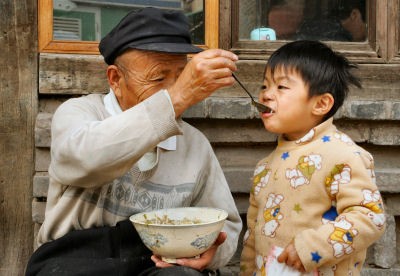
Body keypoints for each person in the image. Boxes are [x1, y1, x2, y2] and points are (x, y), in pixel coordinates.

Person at [26, 7, 242, 276]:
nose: (175, 88)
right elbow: (83, 160)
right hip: (74, 260)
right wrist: (176, 98)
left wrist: (210, 251)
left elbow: (227, 224)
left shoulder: (195, 145)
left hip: (155, 263)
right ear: (116, 79)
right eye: (159, 77)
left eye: (181, 76)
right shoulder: (79, 114)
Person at [240, 40, 386, 275]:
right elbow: (252, 238)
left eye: (281, 87)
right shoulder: (264, 167)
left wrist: (312, 246)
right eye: (264, 86)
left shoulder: (343, 155)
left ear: (321, 104)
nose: (266, 95)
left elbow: (370, 217)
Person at [295, 0, 367, 42]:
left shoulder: (320, 25)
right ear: (354, 14)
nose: (365, 36)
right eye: (366, 28)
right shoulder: (339, 37)